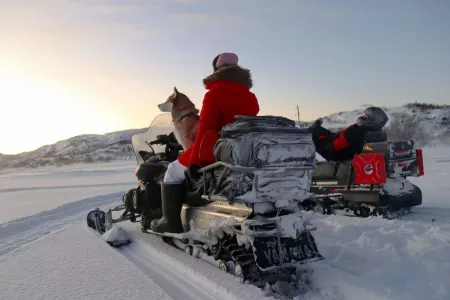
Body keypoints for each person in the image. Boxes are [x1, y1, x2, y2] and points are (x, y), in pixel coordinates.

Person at [150, 52, 260, 233]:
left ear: (216, 69)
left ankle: (170, 221)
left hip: (215, 150)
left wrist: (194, 162)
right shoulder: (250, 97)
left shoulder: (214, 95)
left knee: (171, 171)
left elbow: (205, 130)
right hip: (240, 150)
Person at [310, 106, 389, 162]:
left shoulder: (355, 132)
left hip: (336, 155)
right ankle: (316, 128)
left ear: (371, 120)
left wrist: (321, 144)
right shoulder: (375, 133)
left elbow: (334, 147)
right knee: (323, 132)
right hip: (348, 151)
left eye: (365, 116)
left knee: (313, 136)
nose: (362, 117)